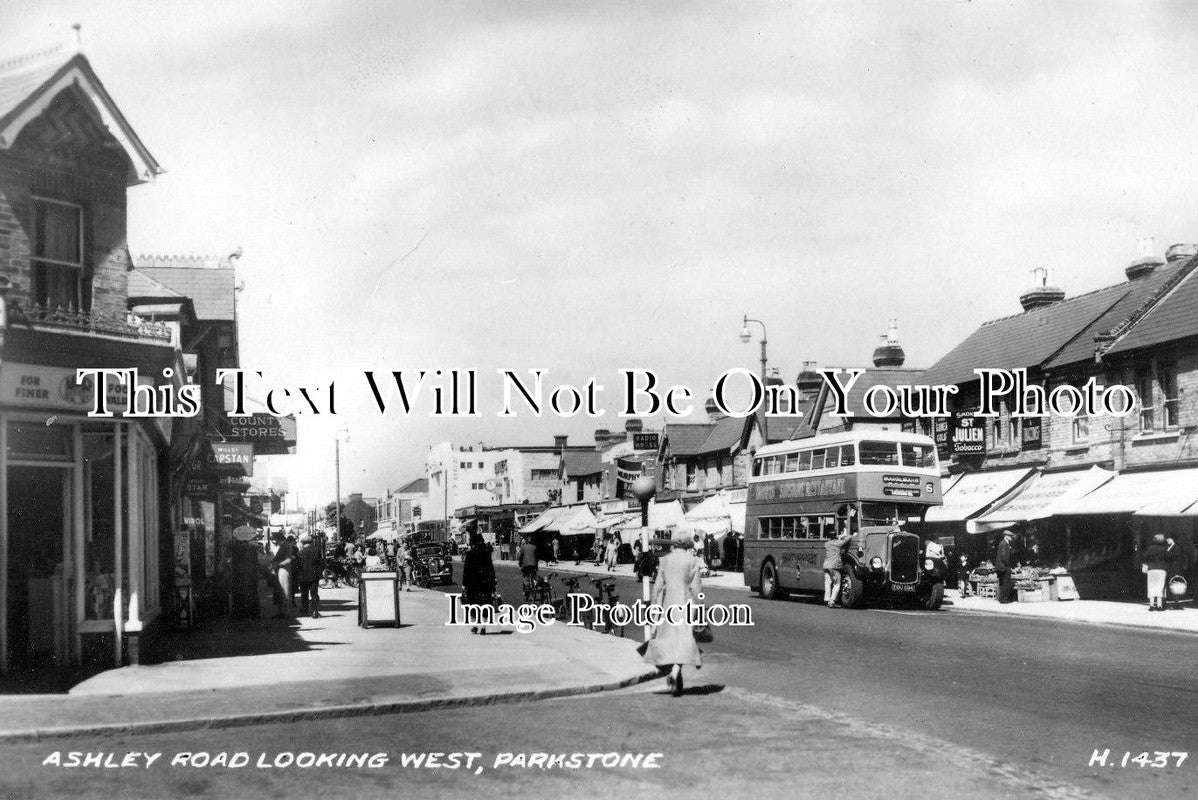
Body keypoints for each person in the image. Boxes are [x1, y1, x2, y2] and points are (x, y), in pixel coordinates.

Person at [642, 530, 704, 697]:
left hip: (668, 604)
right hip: (685, 603)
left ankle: (675, 676)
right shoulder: (693, 561)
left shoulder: (665, 560)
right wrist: (700, 606)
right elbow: (697, 588)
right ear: (688, 544)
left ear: (674, 543)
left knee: (670, 641)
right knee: (685, 640)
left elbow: (657, 586)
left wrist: (654, 608)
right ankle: (676, 671)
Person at [462, 531, 497, 635]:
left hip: (473, 583)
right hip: (485, 582)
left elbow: (466, 570)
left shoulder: (470, 553)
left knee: (473, 604)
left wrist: (464, 584)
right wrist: (493, 582)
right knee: (485, 603)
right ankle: (483, 627)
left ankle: (474, 626)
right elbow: (491, 568)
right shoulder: (486, 553)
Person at [293, 533, 324, 618]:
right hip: (314, 576)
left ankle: (305, 609)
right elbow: (321, 564)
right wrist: (319, 573)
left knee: (304, 594)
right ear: (312, 543)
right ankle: (315, 610)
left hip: (303, 577)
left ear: (303, 543)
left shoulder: (300, 553)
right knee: (314, 594)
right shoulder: (317, 552)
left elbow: (297, 566)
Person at [823, 530, 853, 607]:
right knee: (837, 584)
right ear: (835, 536)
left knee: (828, 584)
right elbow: (849, 538)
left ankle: (827, 599)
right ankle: (832, 601)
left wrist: (838, 537)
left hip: (826, 566)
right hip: (834, 566)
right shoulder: (838, 544)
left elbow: (833, 542)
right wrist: (843, 536)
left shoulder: (826, 544)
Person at [270, 531, 295, 619]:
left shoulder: (286, 546)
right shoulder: (283, 546)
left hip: (283, 571)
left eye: (274, 539)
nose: (274, 541)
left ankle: (286, 612)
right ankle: (281, 611)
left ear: (278, 539)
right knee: (280, 591)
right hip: (280, 570)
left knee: (285, 591)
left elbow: (289, 559)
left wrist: (278, 564)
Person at [1142, 534, 1170, 611]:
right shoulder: (1164, 549)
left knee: (1151, 586)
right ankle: (1159, 605)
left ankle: (1151, 605)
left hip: (1151, 569)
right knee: (1160, 587)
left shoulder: (1149, 549)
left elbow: (1145, 557)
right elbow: (1168, 558)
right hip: (1161, 569)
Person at [995, 529, 1016, 604]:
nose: (1011, 538)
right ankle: (1004, 599)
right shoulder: (1004, 544)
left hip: (1002, 567)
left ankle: (1002, 598)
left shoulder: (1004, 543)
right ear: (1006, 536)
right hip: (1003, 567)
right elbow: (1004, 557)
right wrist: (1009, 565)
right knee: (1005, 583)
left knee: (1003, 583)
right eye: (1010, 536)